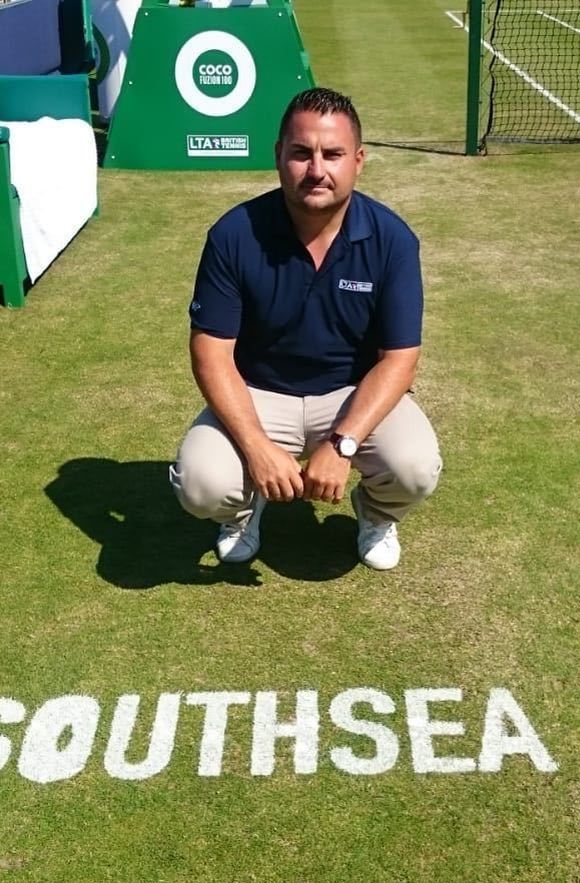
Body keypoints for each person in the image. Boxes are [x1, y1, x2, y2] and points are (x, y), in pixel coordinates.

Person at [169, 87, 442, 571]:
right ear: (279, 155)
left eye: (332, 154)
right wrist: (257, 447)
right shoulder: (234, 234)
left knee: (415, 469)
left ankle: (376, 513)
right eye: (301, 153)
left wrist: (342, 444)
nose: (317, 169)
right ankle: (242, 512)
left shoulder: (392, 239)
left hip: (350, 395)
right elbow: (210, 353)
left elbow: (400, 360)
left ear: (358, 160)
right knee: (200, 485)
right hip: (258, 394)